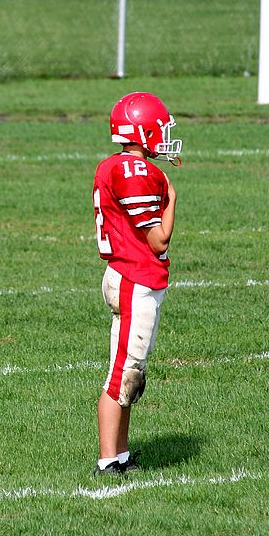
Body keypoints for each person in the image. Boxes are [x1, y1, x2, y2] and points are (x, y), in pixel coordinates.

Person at [90, 91, 182, 476]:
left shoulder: (115, 166)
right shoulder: (137, 172)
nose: (163, 137)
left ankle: (122, 454)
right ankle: (108, 461)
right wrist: (172, 195)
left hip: (127, 274)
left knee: (130, 373)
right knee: (123, 374)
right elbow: (159, 239)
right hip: (134, 277)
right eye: (158, 129)